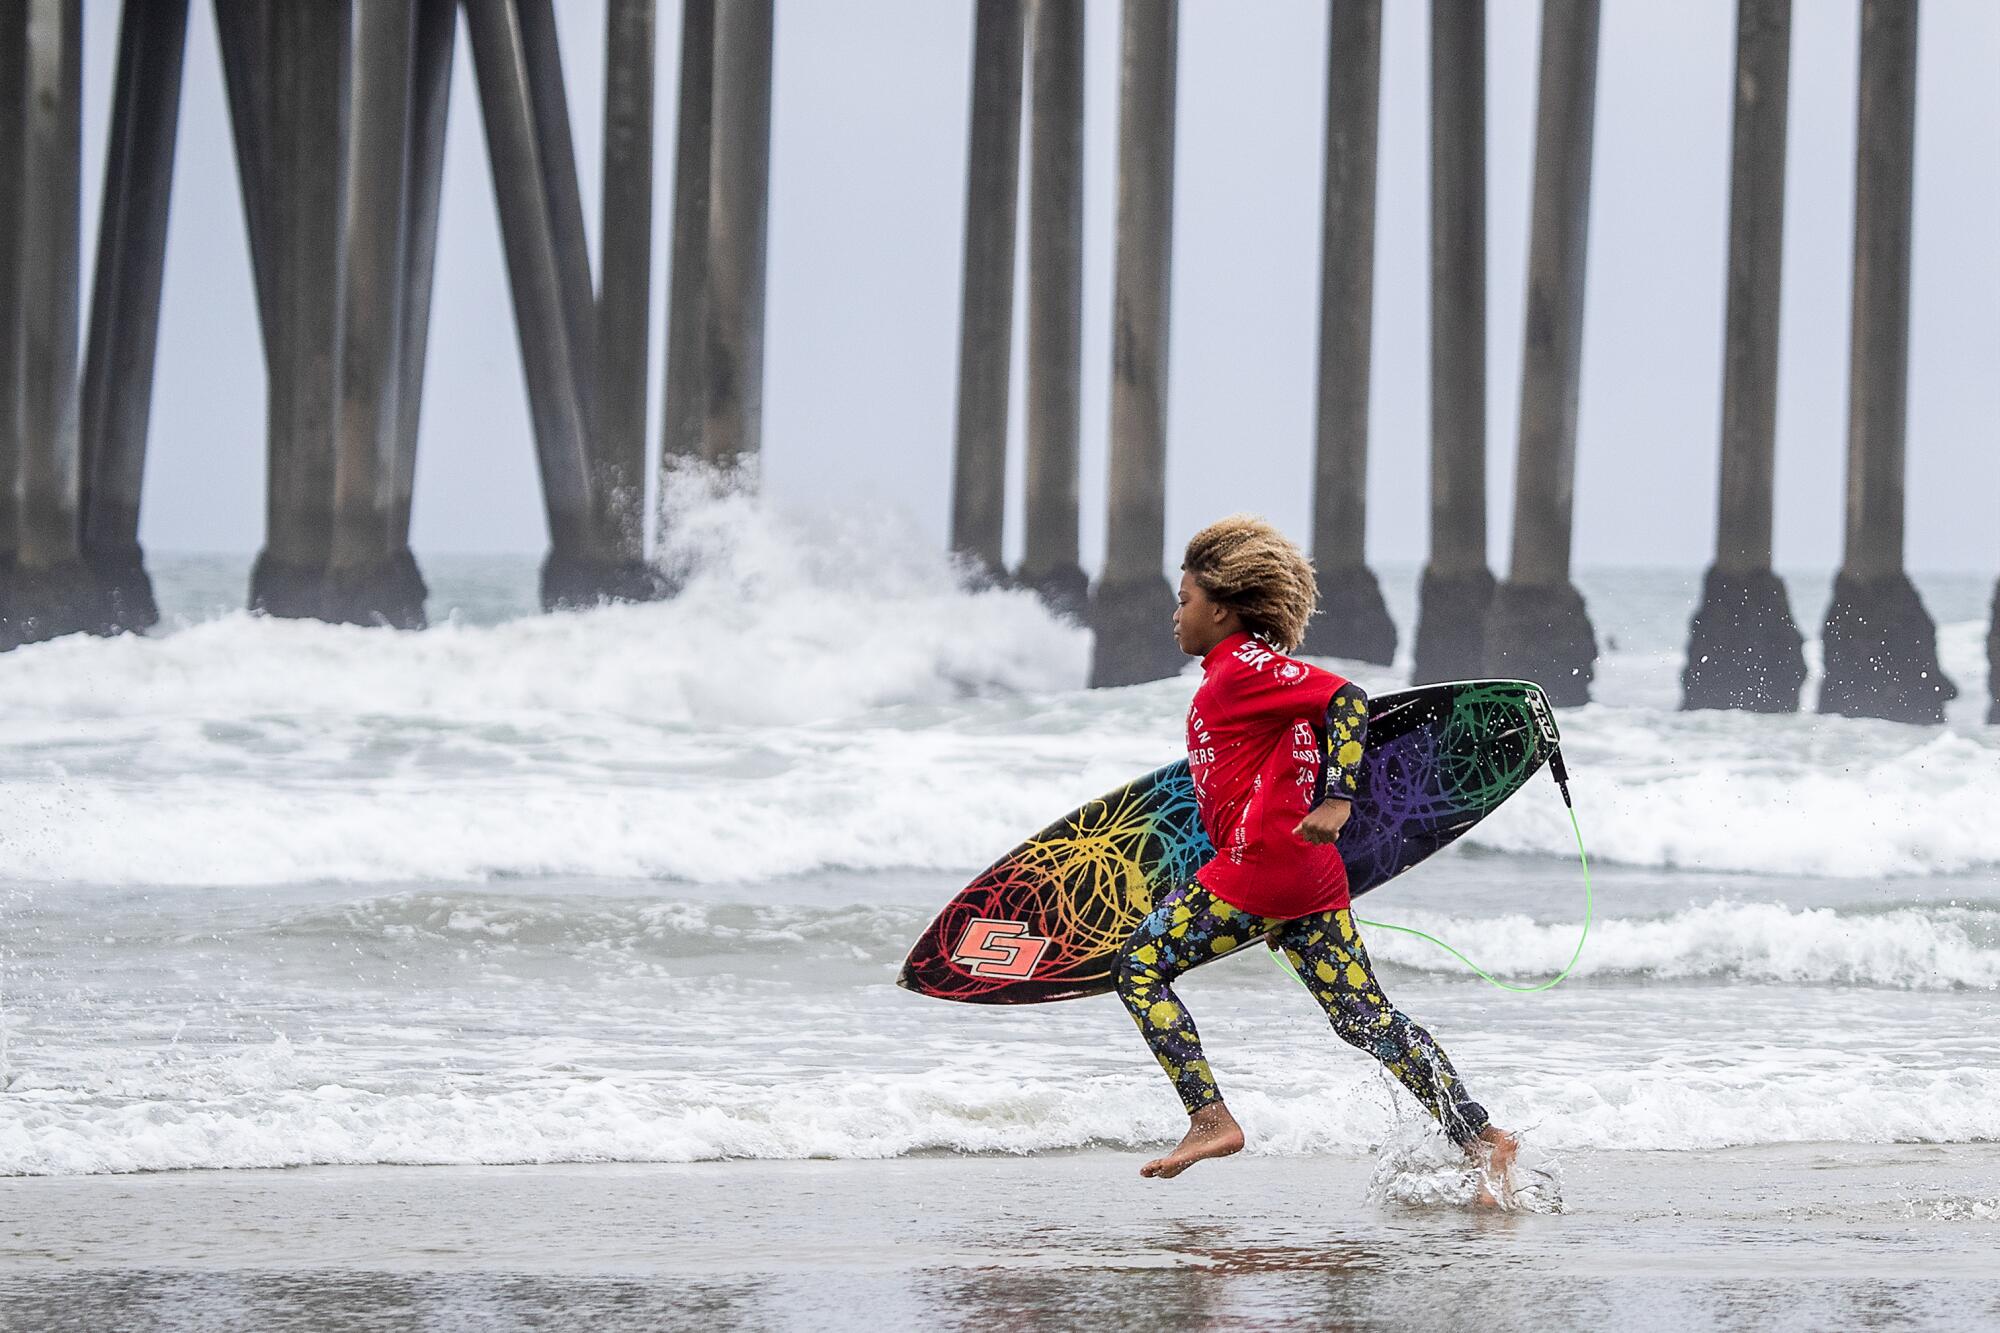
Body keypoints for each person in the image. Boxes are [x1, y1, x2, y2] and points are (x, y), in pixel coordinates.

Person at [1115, 514, 1518, 1186]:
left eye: (1184, 601)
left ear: (1220, 609)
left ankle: (1210, 1118)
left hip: (1264, 869)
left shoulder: (1241, 668)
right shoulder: (1248, 674)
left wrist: (1339, 798)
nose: (1175, 614)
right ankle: (1479, 1135)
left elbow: (1350, 701)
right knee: (1365, 1019)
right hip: (1303, 879)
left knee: (1138, 967)